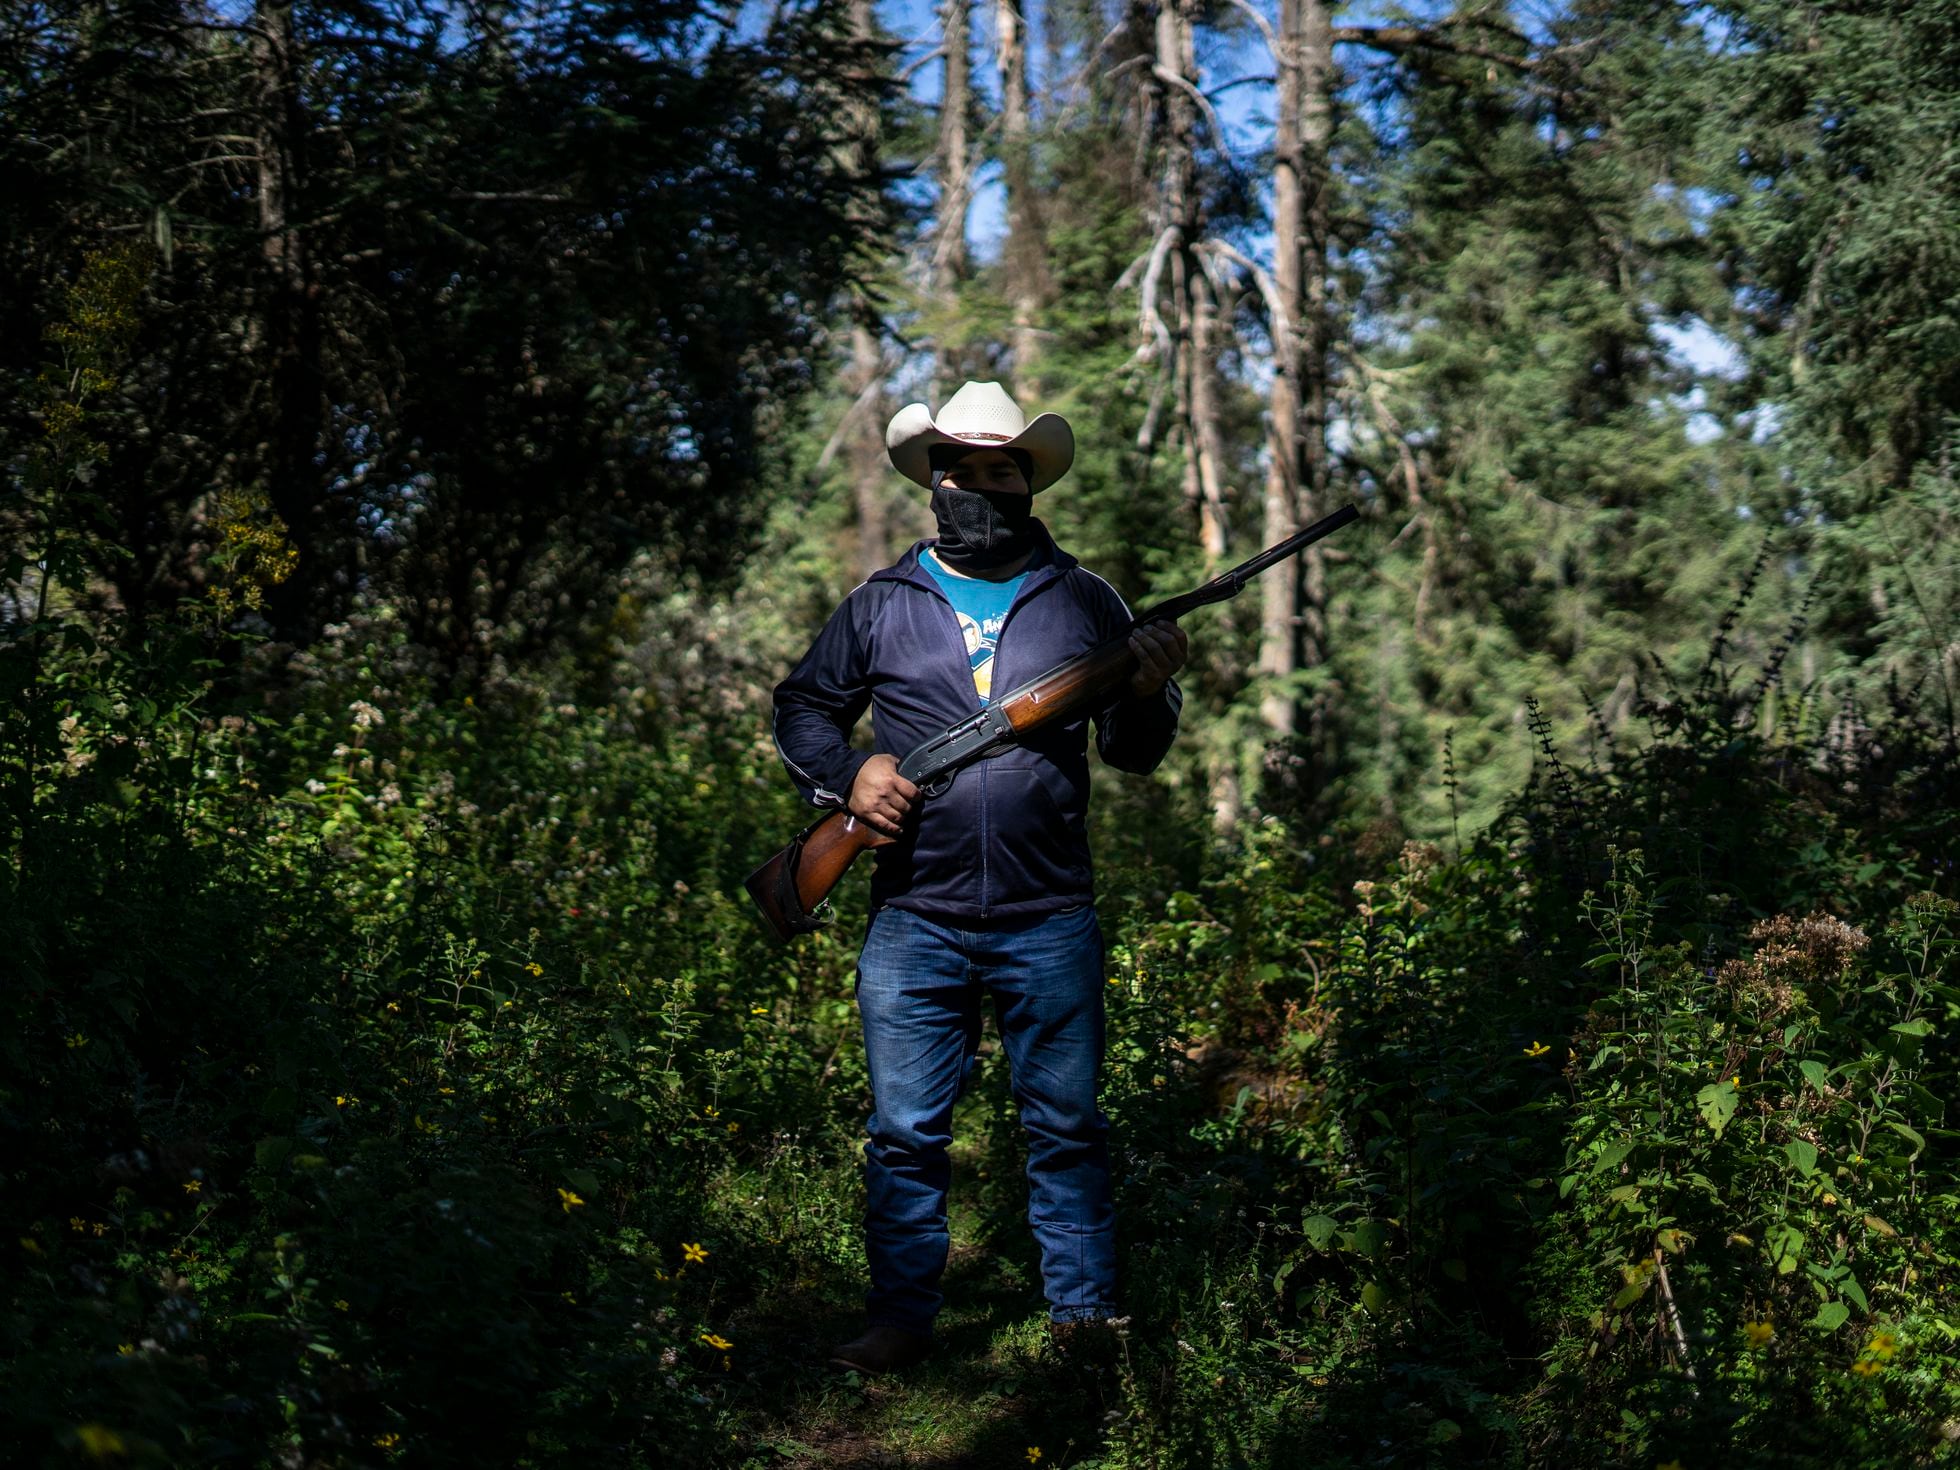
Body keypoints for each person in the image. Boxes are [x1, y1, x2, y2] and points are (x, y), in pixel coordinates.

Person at [769, 380, 1189, 1375]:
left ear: (1029, 486)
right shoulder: (879, 603)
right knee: (905, 1136)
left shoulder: (1088, 599)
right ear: (936, 482)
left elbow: (1136, 751)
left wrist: (1143, 687)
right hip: (914, 916)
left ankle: (1082, 1324)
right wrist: (851, 773)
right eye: (967, 472)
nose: (985, 488)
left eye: (1006, 473)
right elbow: (803, 709)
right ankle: (901, 1322)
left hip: (1050, 918)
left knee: (1066, 1130)